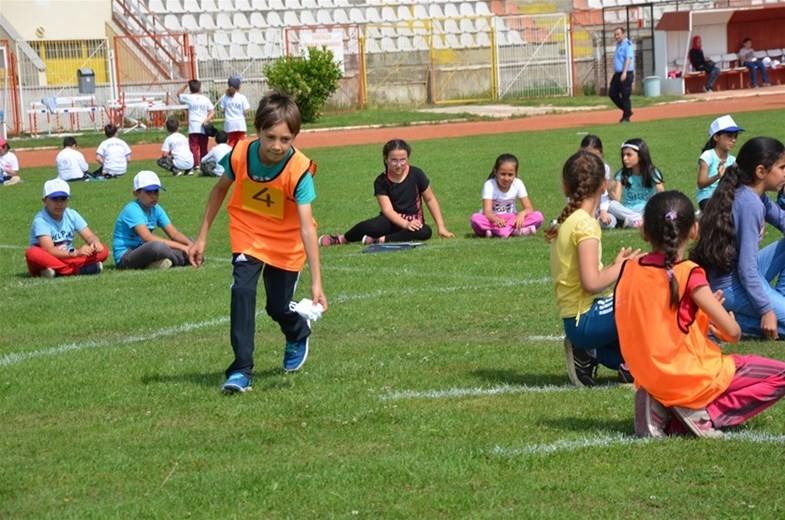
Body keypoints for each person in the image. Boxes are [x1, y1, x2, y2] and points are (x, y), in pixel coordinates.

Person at [188, 92, 327, 394]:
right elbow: (218, 191)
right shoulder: (239, 154)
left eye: (286, 139)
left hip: (286, 242)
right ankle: (241, 370)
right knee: (242, 290)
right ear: (258, 130)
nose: (277, 146)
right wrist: (201, 237)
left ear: (295, 138)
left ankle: (297, 331)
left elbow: (307, 228)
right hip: (248, 232)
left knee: (277, 306)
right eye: (271, 137)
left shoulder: (300, 170)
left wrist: (316, 282)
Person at [617, 190, 785, 439]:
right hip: (687, 375)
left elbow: (663, 324)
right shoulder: (690, 273)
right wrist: (721, 320)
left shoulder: (629, 268)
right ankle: (700, 411)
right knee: (780, 374)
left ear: (644, 232)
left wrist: (701, 316)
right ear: (694, 230)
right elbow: (733, 332)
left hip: (645, 375)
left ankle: (659, 404)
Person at [545, 150, 639, 387]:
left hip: (579, 319)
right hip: (585, 320)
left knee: (638, 351)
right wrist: (623, 267)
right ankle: (622, 361)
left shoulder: (569, 220)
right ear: (604, 186)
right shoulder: (585, 225)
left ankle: (594, 355)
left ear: (566, 187)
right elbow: (591, 282)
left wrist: (615, 266)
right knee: (644, 300)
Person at [691, 137, 785, 340]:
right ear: (761, 172)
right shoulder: (749, 203)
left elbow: (782, 219)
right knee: (776, 324)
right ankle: (717, 321)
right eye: (782, 167)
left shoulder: (755, 194)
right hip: (730, 286)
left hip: (742, 276)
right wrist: (766, 309)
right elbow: (746, 269)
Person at [318, 139, 454, 247]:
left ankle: (380, 240)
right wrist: (405, 224)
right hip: (390, 221)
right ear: (386, 159)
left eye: (403, 160)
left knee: (425, 231)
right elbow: (387, 210)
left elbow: (430, 199)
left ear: (408, 158)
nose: (399, 164)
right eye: (394, 160)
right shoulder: (381, 181)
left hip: (413, 223)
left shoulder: (417, 174)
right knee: (369, 226)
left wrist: (441, 227)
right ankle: (342, 239)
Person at [25, 178, 107, 278]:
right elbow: (50, 250)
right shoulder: (41, 220)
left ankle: (57, 270)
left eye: (63, 199)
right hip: (50, 257)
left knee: (103, 250)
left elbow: (89, 235)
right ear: (44, 201)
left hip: (68, 255)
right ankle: (75, 270)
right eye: (55, 199)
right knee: (32, 252)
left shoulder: (71, 214)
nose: (59, 204)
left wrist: (95, 242)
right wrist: (76, 253)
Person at [112, 170, 193, 270]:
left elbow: (174, 233)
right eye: (148, 192)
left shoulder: (156, 208)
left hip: (144, 251)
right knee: (157, 247)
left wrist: (191, 245)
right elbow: (148, 238)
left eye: (156, 191)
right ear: (136, 193)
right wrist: (183, 248)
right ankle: (184, 260)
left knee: (190, 240)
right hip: (126, 256)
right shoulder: (132, 209)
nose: (153, 196)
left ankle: (164, 262)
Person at [469, 153, 544, 238]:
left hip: (511, 218)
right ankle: (516, 231)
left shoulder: (518, 183)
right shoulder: (489, 185)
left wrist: (522, 214)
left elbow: (529, 208)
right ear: (495, 172)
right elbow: (487, 211)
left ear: (515, 174)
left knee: (538, 216)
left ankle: (497, 232)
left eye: (510, 175)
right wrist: (496, 220)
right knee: (475, 219)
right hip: (492, 219)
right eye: (503, 174)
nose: (506, 178)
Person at [608, 138, 665, 228]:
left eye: (629, 155)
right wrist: (610, 190)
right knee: (611, 205)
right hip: (628, 211)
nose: (625, 158)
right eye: (623, 155)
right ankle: (638, 220)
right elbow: (617, 201)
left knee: (658, 204)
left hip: (646, 210)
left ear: (641, 156)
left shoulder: (652, 172)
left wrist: (655, 197)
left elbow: (661, 192)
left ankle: (632, 222)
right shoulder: (622, 174)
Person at [696, 115, 742, 212]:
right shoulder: (707, 156)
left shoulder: (733, 160)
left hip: (725, 196)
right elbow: (701, 183)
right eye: (729, 136)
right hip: (707, 196)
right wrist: (717, 176)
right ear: (716, 137)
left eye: (735, 137)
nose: (733, 140)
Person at [177, 79, 215, 170]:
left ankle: (196, 164)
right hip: (203, 126)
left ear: (190, 89)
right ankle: (204, 164)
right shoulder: (205, 99)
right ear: (199, 88)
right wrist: (206, 120)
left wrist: (185, 85)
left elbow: (178, 94)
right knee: (203, 146)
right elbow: (212, 111)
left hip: (193, 126)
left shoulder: (189, 97)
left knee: (193, 146)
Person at [579, 135, 616, 229]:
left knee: (613, 210)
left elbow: (604, 194)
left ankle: (637, 220)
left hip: (602, 207)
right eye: (587, 154)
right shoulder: (577, 169)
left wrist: (603, 211)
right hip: (584, 209)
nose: (591, 158)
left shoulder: (604, 168)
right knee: (608, 224)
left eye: (595, 154)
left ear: (601, 154)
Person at [609, 26, 634, 123]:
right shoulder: (618, 45)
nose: (616, 36)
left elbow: (628, 58)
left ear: (623, 34)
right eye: (615, 34)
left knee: (625, 95)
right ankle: (627, 111)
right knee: (612, 93)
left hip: (626, 73)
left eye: (618, 34)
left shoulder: (627, 44)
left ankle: (626, 117)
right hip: (617, 74)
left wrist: (624, 72)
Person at [219, 75, 251, 147]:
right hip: (240, 122)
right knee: (241, 142)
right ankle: (240, 157)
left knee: (231, 141)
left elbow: (222, 110)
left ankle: (231, 156)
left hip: (229, 123)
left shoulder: (225, 97)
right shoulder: (242, 97)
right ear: (239, 86)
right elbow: (246, 110)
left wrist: (228, 112)